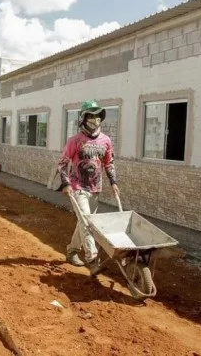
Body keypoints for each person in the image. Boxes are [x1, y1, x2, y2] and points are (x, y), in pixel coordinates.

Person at [57, 100, 120, 273]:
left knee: (85, 222)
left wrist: (113, 182)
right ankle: (92, 259)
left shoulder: (106, 140)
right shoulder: (75, 140)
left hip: (96, 188)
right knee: (86, 222)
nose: (95, 119)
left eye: (97, 115)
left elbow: (109, 163)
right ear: (84, 118)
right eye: (91, 115)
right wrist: (66, 184)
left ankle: (72, 251)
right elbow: (62, 163)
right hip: (78, 187)